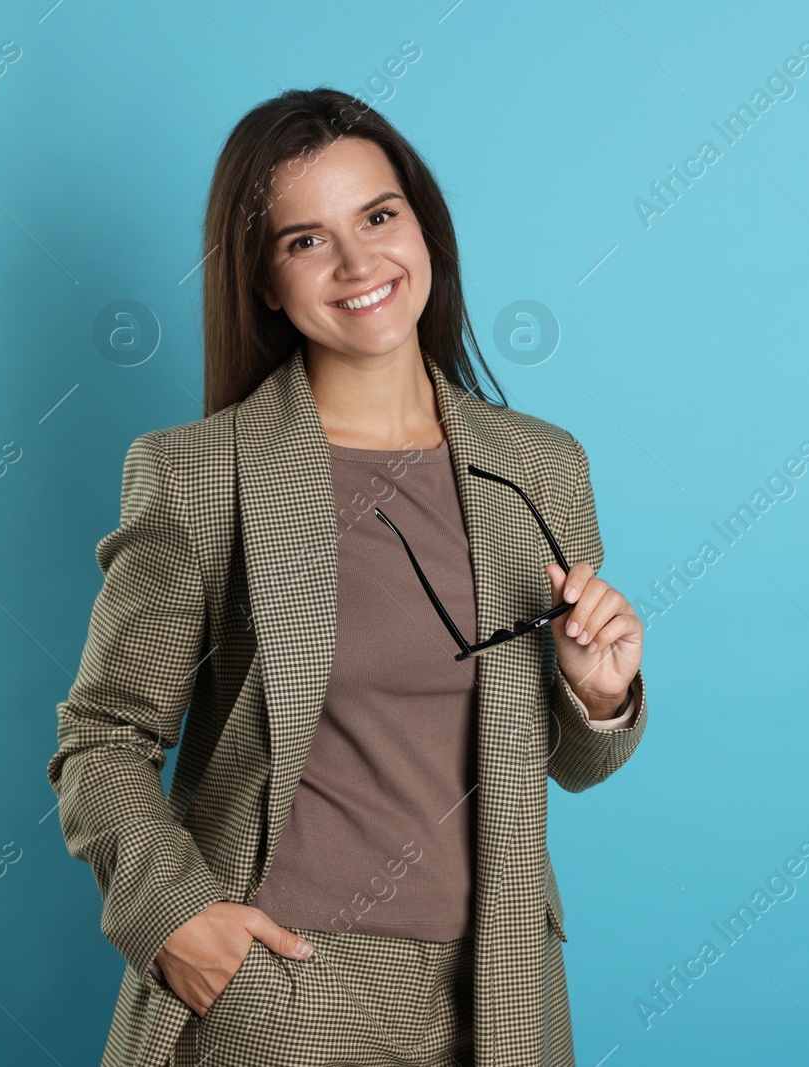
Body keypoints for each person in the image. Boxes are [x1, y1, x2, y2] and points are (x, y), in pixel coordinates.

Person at [46, 87, 648, 1067]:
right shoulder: (201, 473)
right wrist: (178, 919)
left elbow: (574, 764)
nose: (360, 262)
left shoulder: (541, 466)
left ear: (424, 226)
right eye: (304, 240)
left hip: (497, 987)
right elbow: (101, 737)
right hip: (281, 990)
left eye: (378, 216)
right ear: (265, 283)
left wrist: (598, 692)